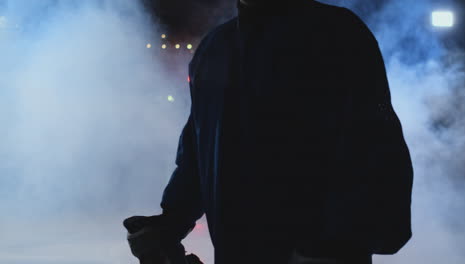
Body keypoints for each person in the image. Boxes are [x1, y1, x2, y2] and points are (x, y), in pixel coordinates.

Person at [129, 0, 414, 263]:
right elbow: (198, 148)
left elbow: (374, 146)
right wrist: (172, 220)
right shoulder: (215, 47)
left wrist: (340, 245)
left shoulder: (336, 34)